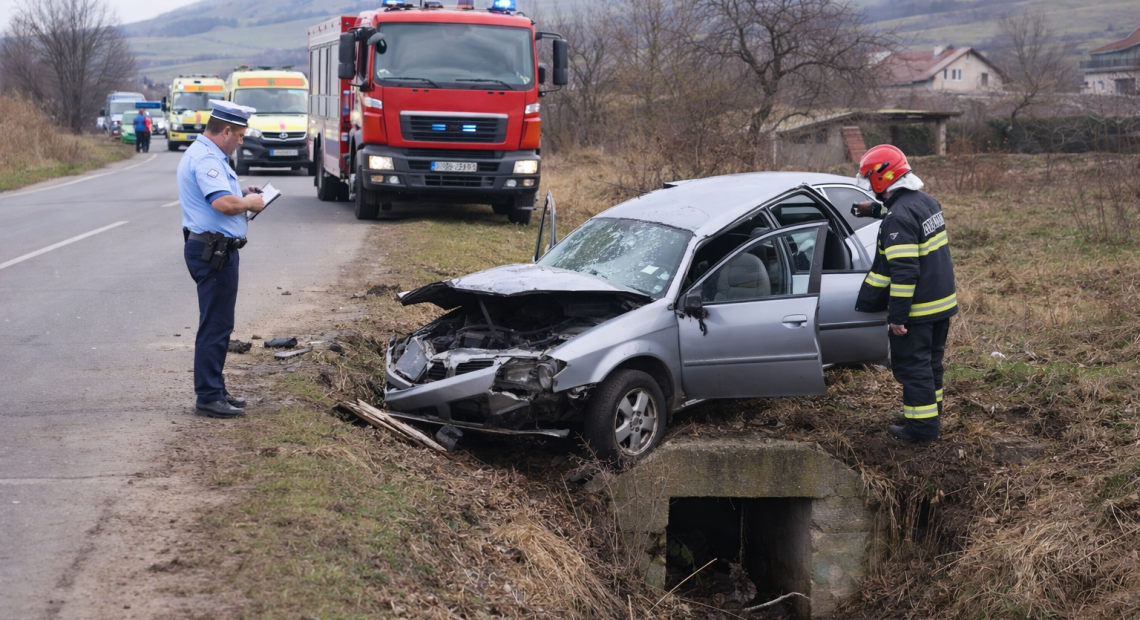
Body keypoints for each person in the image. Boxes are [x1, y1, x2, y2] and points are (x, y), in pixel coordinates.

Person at [852, 144, 957, 445]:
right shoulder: (925, 202)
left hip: (917, 311)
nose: (869, 185)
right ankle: (930, 416)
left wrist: (897, 317)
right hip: (941, 304)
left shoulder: (898, 217)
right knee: (931, 364)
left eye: (869, 179)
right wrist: (872, 210)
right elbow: (902, 213)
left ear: (882, 178)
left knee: (913, 368)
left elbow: (905, 272)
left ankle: (921, 431)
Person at [178, 100, 266, 418]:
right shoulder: (207, 160)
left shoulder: (208, 155)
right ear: (225, 131)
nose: (241, 141)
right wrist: (248, 203)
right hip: (213, 251)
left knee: (219, 323)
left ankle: (215, 388)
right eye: (240, 135)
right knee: (215, 325)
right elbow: (221, 204)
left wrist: (243, 193)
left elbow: (223, 196)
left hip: (215, 248)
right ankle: (209, 396)